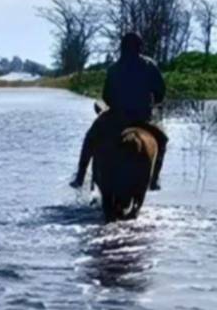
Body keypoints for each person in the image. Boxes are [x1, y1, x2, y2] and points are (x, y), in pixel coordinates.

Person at [71, 32, 169, 191]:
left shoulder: (114, 68)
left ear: (122, 48)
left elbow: (106, 96)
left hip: (117, 118)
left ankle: (80, 177)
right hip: (142, 119)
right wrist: (152, 104)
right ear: (139, 48)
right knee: (162, 141)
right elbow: (160, 92)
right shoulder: (149, 65)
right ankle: (154, 180)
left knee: (91, 137)